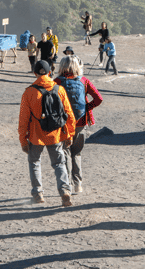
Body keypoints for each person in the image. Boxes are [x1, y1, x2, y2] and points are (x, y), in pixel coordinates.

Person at [18, 60, 76, 207]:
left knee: (34, 163)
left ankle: (38, 193)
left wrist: (23, 141)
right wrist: (69, 134)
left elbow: (23, 120)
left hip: (36, 135)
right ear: (50, 72)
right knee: (59, 164)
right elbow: (69, 115)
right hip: (55, 134)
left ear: (34, 73)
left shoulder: (29, 92)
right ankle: (65, 192)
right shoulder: (59, 89)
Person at [53, 55, 103, 195]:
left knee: (66, 153)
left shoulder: (56, 81)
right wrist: (87, 107)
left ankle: (67, 183)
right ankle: (78, 185)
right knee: (77, 153)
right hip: (81, 122)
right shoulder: (84, 80)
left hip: (63, 124)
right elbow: (99, 99)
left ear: (62, 66)